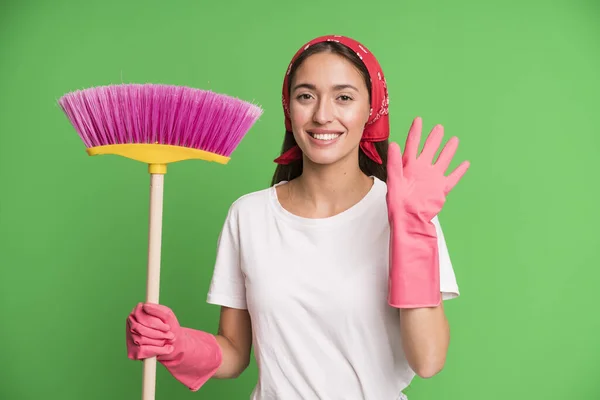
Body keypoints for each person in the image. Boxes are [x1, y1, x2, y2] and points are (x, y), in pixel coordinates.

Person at [125, 34, 470, 399]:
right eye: (306, 96)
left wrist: (412, 230)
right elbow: (235, 352)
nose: (322, 114)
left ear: (371, 109)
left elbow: (428, 360)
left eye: (344, 97)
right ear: (289, 108)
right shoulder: (249, 216)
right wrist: (176, 344)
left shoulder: (405, 212)